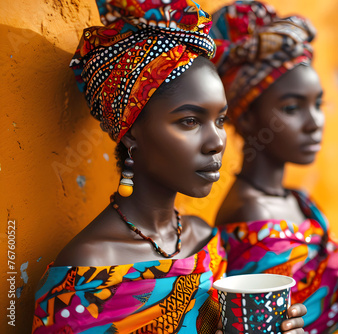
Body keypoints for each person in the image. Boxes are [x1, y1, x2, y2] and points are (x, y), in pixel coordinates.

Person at [31, 1, 306, 333]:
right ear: (131, 131)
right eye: (190, 121)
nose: (216, 141)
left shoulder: (207, 242)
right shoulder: (85, 271)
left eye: (220, 120)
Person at [210, 1, 338, 333]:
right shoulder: (251, 214)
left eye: (318, 104)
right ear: (247, 116)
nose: (315, 123)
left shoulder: (296, 200)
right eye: (292, 107)